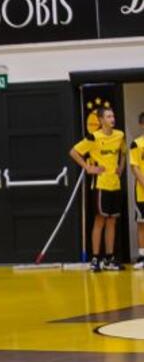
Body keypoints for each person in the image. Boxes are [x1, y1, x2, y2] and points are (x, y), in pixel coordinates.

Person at [69, 107, 127, 272]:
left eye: (113, 115)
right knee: (100, 220)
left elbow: (123, 152)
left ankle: (109, 258)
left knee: (112, 221)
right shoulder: (94, 137)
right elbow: (74, 152)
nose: (112, 119)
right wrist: (88, 167)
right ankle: (95, 258)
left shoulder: (120, 135)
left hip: (115, 184)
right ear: (101, 120)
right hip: (100, 184)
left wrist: (120, 168)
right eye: (108, 116)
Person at [131, 113, 144, 270]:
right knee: (142, 224)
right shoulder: (136, 144)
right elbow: (134, 167)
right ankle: (142, 256)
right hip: (141, 192)